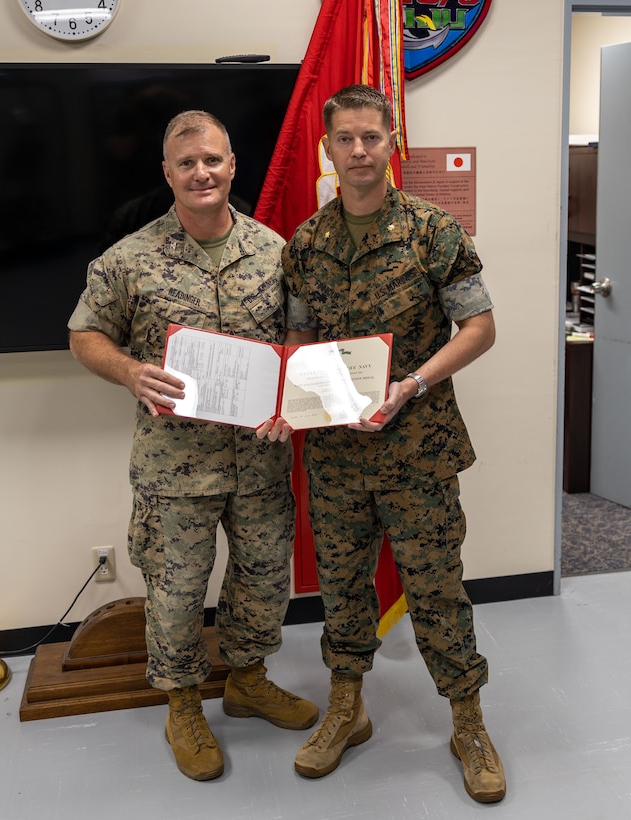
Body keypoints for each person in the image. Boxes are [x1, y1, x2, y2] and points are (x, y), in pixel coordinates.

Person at [261, 85, 506, 803]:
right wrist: (291, 397)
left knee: (436, 590)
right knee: (342, 590)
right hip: (336, 457)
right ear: (329, 148)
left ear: (390, 140)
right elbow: (300, 338)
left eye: (372, 137)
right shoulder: (306, 244)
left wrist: (412, 385)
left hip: (418, 450)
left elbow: (480, 330)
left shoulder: (434, 232)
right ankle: (348, 707)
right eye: (347, 140)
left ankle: (468, 722)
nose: (360, 151)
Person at [68, 110, 318, 782]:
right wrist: (126, 369)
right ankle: (182, 703)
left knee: (265, 582)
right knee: (176, 595)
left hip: (260, 459)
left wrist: (293, 404)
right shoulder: (129, 258)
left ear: (232, 165)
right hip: (174, 466)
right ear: (168, 174)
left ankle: (248, 678)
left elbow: (298, 345)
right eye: (187, 163)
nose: (202, 172)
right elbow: (85, 335)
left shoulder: (277, 252)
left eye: (213, 160)